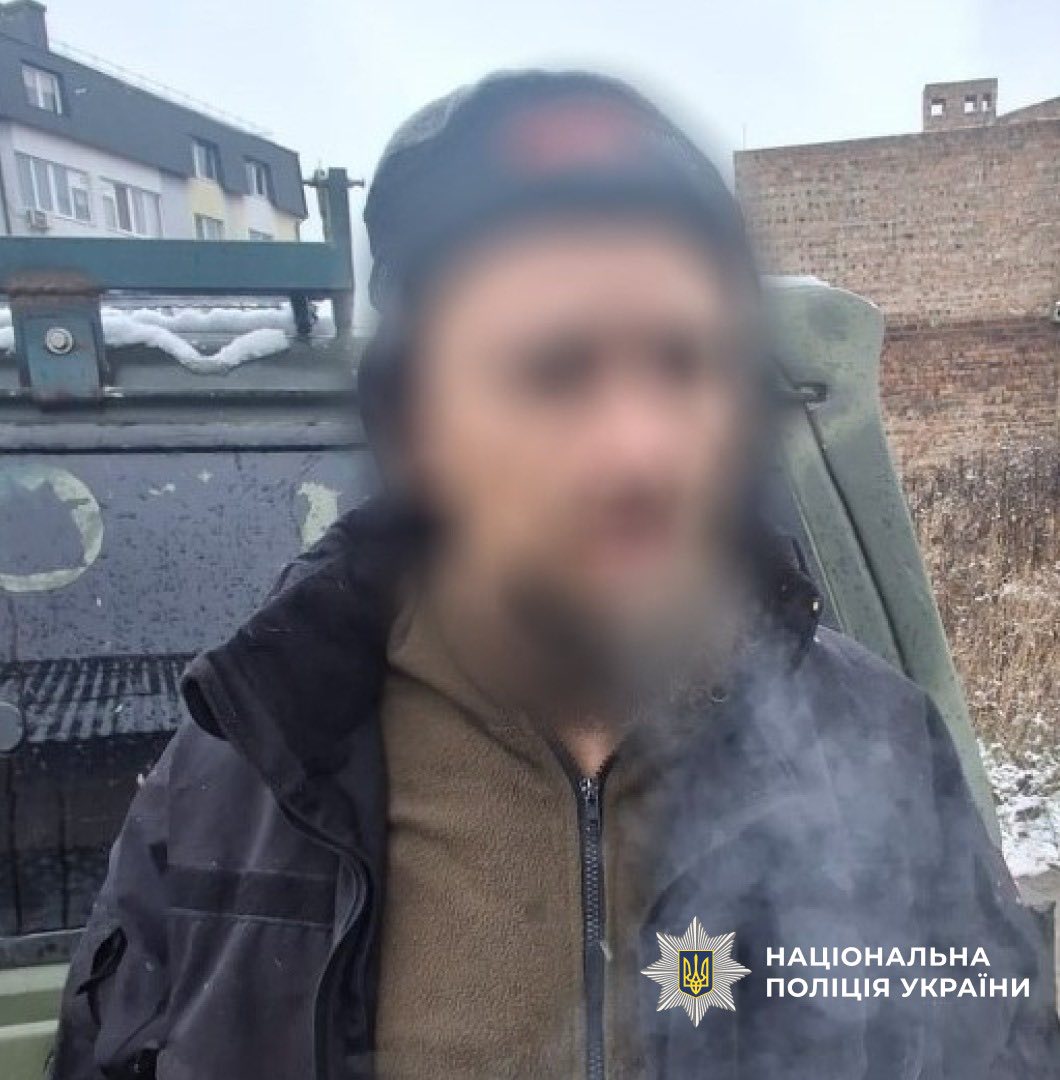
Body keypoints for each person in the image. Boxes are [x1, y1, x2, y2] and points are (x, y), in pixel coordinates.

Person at [52, 71, 1058, 1080]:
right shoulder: (247, 778)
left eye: (682, 362)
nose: (639, 449)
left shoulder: (875, 747)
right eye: (552, 368)